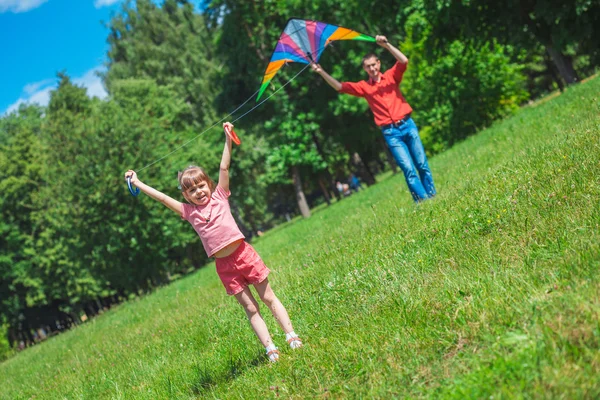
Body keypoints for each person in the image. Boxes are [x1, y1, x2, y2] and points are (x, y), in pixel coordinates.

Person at [124, 122, 302, 363]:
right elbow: (163, 198)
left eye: (201, 186)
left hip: (244, 254)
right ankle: (270, 348)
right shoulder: (188, 212)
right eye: (192, 190)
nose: (198, 192)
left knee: (268, 297)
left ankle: (291, 335)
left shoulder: (220, 195)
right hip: (224, 266)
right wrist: (137, 182)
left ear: (208, 184)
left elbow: (224, 166)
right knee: (250, 309)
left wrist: (228, 139)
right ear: (185, 196)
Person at [311, 35, 436, 202]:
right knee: (408, 169)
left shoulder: (392, 76)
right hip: (391, 133)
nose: (372, 69)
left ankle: (432, 197)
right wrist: (321, 72)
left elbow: (404, 61)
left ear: (379, 64)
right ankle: (424, 202)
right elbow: (339, 86)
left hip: (408, 125)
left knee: (422, 165)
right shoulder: (364, 87)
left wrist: (387, 45)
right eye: (368, 67)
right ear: (365, 69)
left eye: (374, 65)